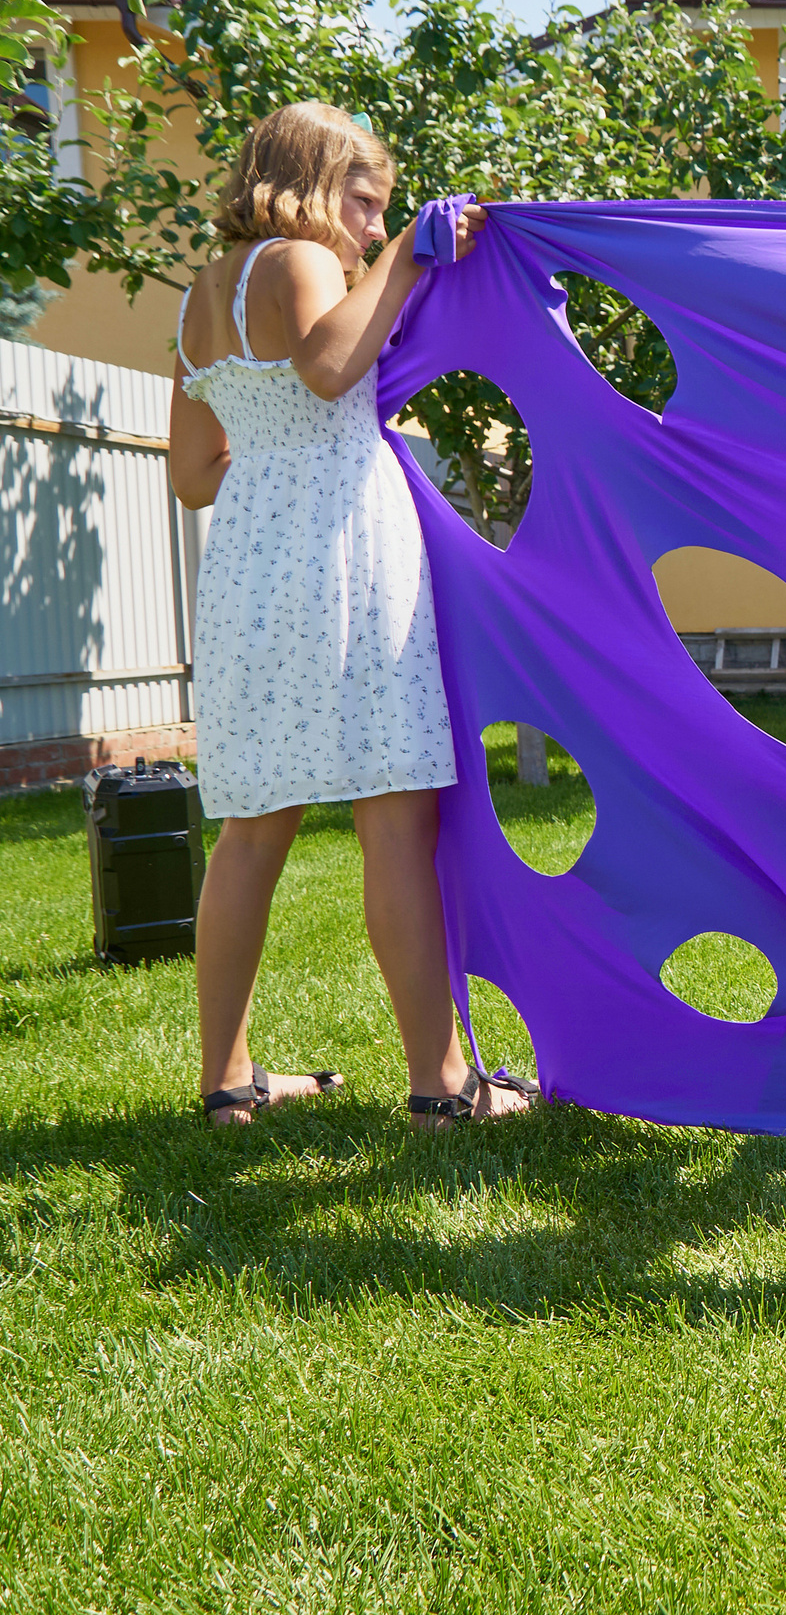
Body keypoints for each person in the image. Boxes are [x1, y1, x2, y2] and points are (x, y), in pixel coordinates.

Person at [166, 102, 529, 1128]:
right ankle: (441, 1087)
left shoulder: (200, 292)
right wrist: (410, 256)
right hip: (342, 552)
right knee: (395, 814)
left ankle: (227, 1082)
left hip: (248, 565)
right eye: (365, 204)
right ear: (312, 185)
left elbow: (193, 474)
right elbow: (330, 368)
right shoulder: (300, 260)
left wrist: (273, 455)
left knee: (251, 830)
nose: (371, 229)